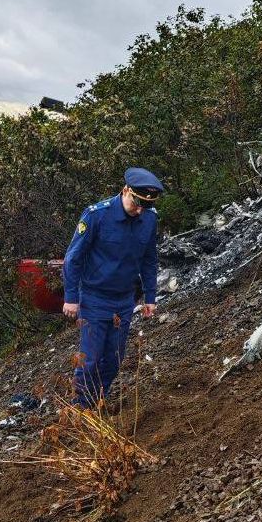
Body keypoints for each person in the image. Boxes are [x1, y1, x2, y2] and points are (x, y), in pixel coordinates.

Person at [62, 167, 164, 409]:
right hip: (95, 298)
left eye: (145, 206)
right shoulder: (96, 215)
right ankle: (81, 408)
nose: (139, 209)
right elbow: (72, 258)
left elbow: (150, 259)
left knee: (114, 359)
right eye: (137, 202)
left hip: (124, 300)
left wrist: (150, 296)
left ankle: (98, 398)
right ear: (126, 190)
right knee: (91, 358)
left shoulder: (149, 220)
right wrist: (71, 297)